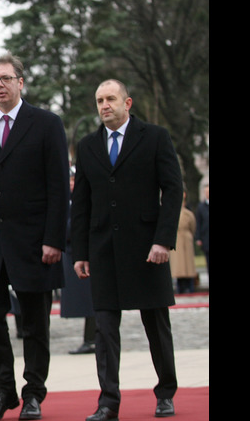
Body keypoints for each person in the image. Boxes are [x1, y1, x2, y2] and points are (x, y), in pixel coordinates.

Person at [0, 54, 69, 421]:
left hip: (34, 242)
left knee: (35, 322)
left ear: (21, 82)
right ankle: (2, 389)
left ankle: (33, 392)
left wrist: (55, 238)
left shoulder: (47, 124)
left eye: (5, 78)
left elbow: (57, 188)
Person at [71, 79, 183, 421]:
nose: (105, 105)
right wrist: (80, 252)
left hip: (148, 250)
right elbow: (82, 204)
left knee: (156, 327)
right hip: (104, 251)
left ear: (127, 102)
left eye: (111, 99)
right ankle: (108, 402)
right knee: (104, 330)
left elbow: (173, 190)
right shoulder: (88, 146)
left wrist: (163, 240)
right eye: (100, 100)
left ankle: (166, 393)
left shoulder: (155, 137)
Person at [60, 167, 96, 355]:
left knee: (92, 301)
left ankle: (92, 339)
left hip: (85, 252)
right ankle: (92, 338)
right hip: (73, 251)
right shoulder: (68, 200)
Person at [170, 190, 197, 294]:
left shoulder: (188, 214)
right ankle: (180, 287)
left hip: (186, 240)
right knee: (178, 267)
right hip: (177, 240)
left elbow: (193, 226)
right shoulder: (173, 212)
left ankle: (190, 287)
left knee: (188, 266)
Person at [194, 184, 209, 279]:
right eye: (206, 192)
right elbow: (198, 223)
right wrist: (198, 238)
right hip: (206, 238)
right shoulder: (201, 207)